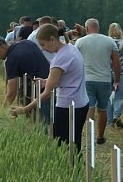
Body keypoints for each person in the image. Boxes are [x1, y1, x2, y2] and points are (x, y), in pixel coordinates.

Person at [10, 24, 89, 152]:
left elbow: (47, 94)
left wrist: (24, 109)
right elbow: (69, 77)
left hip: (67, 108)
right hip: (80, 104)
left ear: (52, 39)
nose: (43, 49)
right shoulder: (71, 48)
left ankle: (71, 170)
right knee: (74, 144)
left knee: (63, 147)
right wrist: (46, 81)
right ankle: (76, 169)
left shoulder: (60, 59)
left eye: (43, 44)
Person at [75, 18, 121, 145]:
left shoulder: (80, 42)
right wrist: (117, 80)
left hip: (87, 79)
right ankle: (100, 136)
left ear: (87, 28)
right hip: (104, 80)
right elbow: (116, 63)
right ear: (98, 28)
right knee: (102, 109)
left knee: (89, 107)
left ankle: (88, 135)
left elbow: (75, 61)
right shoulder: (109, 41)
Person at [0, 36, 51, 123]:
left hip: (42, 89)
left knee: (43, 122)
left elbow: (12, 92)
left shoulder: (11, 60)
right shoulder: (26, 42)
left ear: (2, 47)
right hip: (54, 80)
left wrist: (1, 112)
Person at [106, 23, 123, 129]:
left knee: (108, 98)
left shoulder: (106, 42)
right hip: (121, 73)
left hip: (107, 73)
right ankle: (117, 115)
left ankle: (109, 122)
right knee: (119, 97)